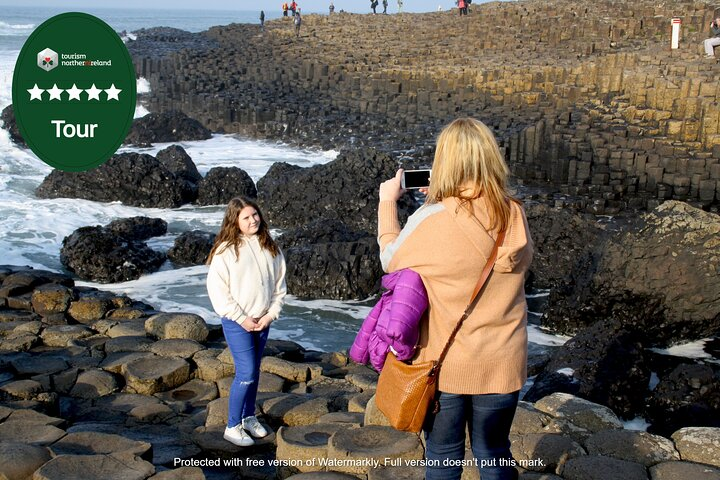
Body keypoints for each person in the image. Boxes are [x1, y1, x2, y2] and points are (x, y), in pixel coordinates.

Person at [377, 118, 533, 480]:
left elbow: (390, 258)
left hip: (445, 364)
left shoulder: (432, 219)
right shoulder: (514, 213)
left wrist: (389, 203)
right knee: (493, 451)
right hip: (503, 362)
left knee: (444, 452)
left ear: (443, 162)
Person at [206, 197, 287, 447]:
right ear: (235, 221)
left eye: (255, 215)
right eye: (246, 217)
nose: (253, 220)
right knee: (246, 373)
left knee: (253, 372)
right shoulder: (225, 251)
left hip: (262, 321)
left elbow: (279, 287)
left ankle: (248, 416)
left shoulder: (269, 245)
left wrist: (269, 316)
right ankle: (232, 426)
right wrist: (242, 319)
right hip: (236, 322)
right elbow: (217, 291)